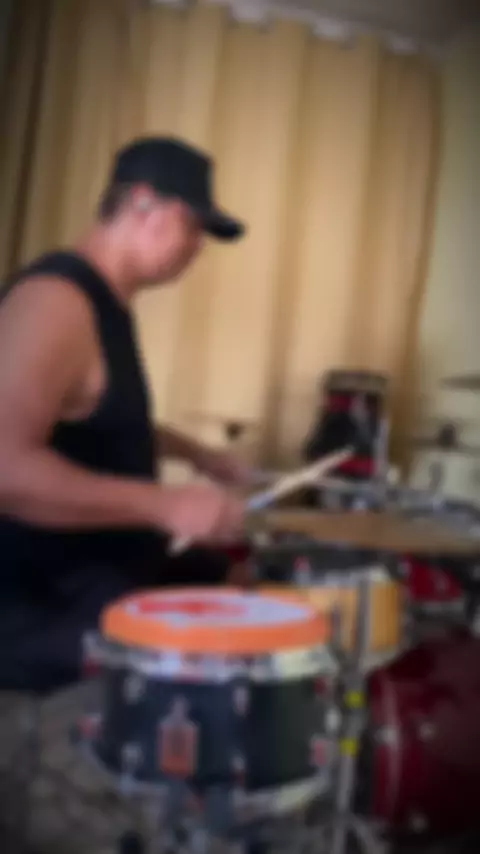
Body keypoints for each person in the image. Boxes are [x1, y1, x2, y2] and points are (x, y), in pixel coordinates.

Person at [0, 136, 250, 692]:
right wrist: (164, 505)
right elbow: (6, 468)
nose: (197, 248)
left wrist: (201, 456)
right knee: (229, 655)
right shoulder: (55, 302)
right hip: (42, 601)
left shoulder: (106, 303)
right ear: (142, 203)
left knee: (244, 578)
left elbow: (101, 421)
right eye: (192, 226)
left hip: (105, 563)